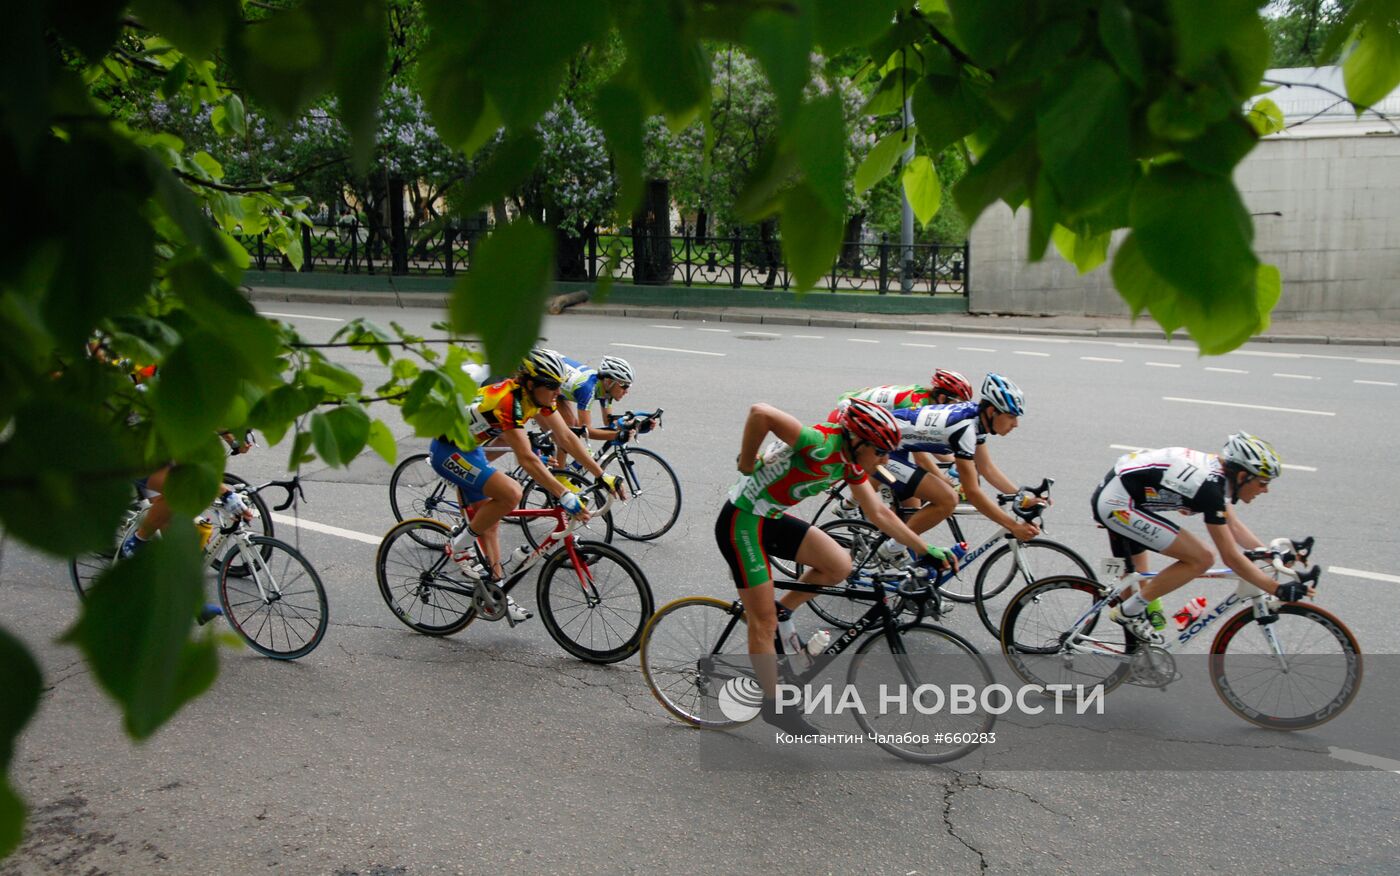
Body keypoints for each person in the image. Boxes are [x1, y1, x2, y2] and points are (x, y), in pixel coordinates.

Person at [716, 398, 956, 733]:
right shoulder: (819, 444)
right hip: (741, 522)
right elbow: (760, 412)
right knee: (763, 623)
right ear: (858, 442)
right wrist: (746, 462)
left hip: (769, 518)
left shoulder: (851, 463)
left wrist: (925, 548)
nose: (886, 461)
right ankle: (775, 706)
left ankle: (784, 609)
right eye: (880, 452)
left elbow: (879, 512)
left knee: (840, 565)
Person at [428, 349, 623, 621]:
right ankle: (458, 546)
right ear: (531, 383)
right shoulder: (509, 401)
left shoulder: (537, 398)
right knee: (512, 493)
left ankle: (496, 592)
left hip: (471, 450)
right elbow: (527, 459)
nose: (558, 392)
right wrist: (564, 494)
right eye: (552, 386)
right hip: (448, 452)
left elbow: (566, 437)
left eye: (559, 385)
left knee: (491, 524)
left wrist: (602, 475)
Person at [1091, 433, 1309, 643]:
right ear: (1243, 476)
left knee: (1139, 585)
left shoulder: (1221, 477)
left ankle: (1134, 655)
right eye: (1262, 482)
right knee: (1202, 558)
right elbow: (1230, 557)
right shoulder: (1210, 488)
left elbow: (1234, 527)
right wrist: (1276, 589)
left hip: (1127, 494)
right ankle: (1127, 612)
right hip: (1118, 503)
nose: (1266, 490)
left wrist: (1272, 556)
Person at [864, 373, 1042, 559]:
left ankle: (895, 550)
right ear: (992, 412)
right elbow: (972, 492)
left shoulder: (977, 420)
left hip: (895, 446)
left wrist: (1023, 499)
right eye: (1011, 416)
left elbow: (987, 468)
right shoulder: (965, 429)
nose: (1016, 424)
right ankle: (889, 550)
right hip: (877, 450)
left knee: (915, 510)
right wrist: (1012, 526)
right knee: (947, 499)